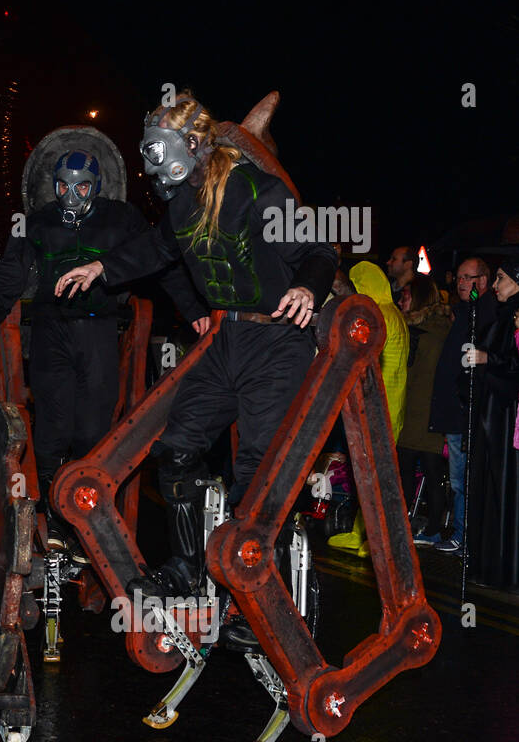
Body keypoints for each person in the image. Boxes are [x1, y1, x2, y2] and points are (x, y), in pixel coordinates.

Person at [55, 94, 336, 647]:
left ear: (193, 144)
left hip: (276, 341)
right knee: (177, 446)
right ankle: (188, 567)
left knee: (259, 471)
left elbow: (319, 250)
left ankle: (262, 601)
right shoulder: (184, 204)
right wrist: (100, 266)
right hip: (227, 339)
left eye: (162, 155)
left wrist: (308, 285)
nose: (157, 172)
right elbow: (154, 249)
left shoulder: (258, 190)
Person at [0, 147, 207, 544]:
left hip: (100, 329)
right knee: (54, 425)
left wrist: (194, 311)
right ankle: (50, 518)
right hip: (51, 329)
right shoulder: (35, 222)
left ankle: (85, 512)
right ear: (54, 186)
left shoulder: (122, 219)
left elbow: (161, 263)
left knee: (93, 428)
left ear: (96, 187)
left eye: (82, 186)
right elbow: (6, 279)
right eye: (63, 186)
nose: (72, 194)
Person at [328, 261, 408, 557]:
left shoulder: (375, 317)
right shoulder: (395, 314)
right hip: (393, 408)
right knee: (379, 475)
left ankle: (369, 538)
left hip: (375, 407)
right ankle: (367, 534)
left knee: (370, 475)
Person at [427, 256, 495, 553]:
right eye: (459, 278)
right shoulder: (464, 313)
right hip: (454, 412)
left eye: (468, 278)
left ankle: (465, 536)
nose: (461, 283)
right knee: (458, 478)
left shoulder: (484, 314)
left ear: (483, 281)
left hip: (466, 413)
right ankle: (461, 534)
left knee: (463, 479)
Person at [461, 259, 519, 587]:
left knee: (504, 489)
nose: (495, 285)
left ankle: (504, 570)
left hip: (508, 417)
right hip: (492, 414)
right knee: (489, 489)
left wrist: (487, 358)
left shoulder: (516, 315)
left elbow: (514, 365)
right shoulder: (500, 313)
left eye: (501, 278)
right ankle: (488, 566)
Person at [396, 274, 452, 546]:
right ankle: (430, 527)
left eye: (405, 296)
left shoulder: (422, 331)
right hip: (426, 410)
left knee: (416, 469)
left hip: (421, 409)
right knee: (429, 471)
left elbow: (413, 371)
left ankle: (419, 527)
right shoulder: (440, 326)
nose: (401, 301)